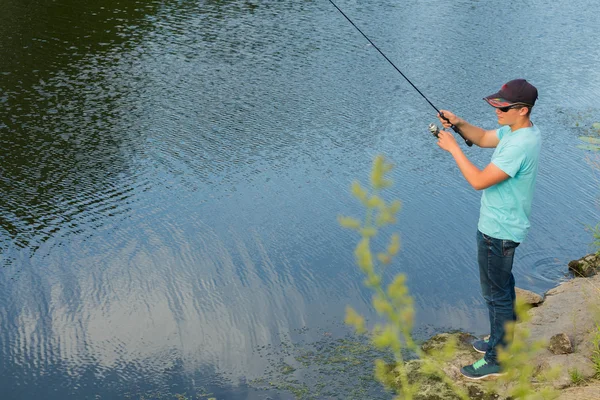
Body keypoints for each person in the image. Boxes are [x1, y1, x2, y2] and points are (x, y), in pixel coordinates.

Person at [435, 79, 541, 380]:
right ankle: (500, 340)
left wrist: (454, 148)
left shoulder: (519, 145)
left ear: (522, 110)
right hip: (503, 226)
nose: (496, 110)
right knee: (502, 287)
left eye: (502, 107)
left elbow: (479, 181)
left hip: (499, 230)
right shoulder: (519, 131)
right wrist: (458, 123)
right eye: (495, 103)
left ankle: (497, 358)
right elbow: (482, 138)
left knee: (495, 294)